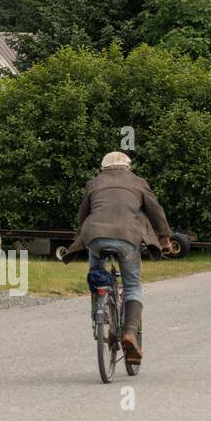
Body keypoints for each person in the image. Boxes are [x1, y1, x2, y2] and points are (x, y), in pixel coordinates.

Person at [63, 151, 172, 362]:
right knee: (132, 286)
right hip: (127, 238)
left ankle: (99, 315)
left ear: (103, 167)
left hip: (95, 238)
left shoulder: (93, 183)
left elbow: (82, 215)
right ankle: (130, 332)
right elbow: (155, 211)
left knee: (96, 277)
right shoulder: (138, 182)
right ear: (128, 166)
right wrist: (165, 237)